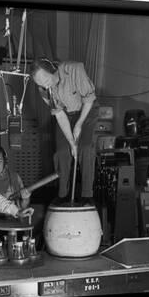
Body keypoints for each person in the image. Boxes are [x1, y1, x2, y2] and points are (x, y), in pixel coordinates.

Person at [30, 58, 99, 204]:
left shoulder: (74, 69)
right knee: (62, 153)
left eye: (45, 80)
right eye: (40, 84)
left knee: (85, 149)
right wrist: (71, 142)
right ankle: (63, 195)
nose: (44, 85)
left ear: (52, 70)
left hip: (86, 110)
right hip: (66, 115)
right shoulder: (44, 89)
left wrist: (79, 124)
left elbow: (89, 99)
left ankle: (87, 195)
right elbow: (60, 114)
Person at [0, 145, 45, 246]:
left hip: (13, 223)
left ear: (5, 160)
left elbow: (23, 207)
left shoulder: (14, 178)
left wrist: (26, 198)